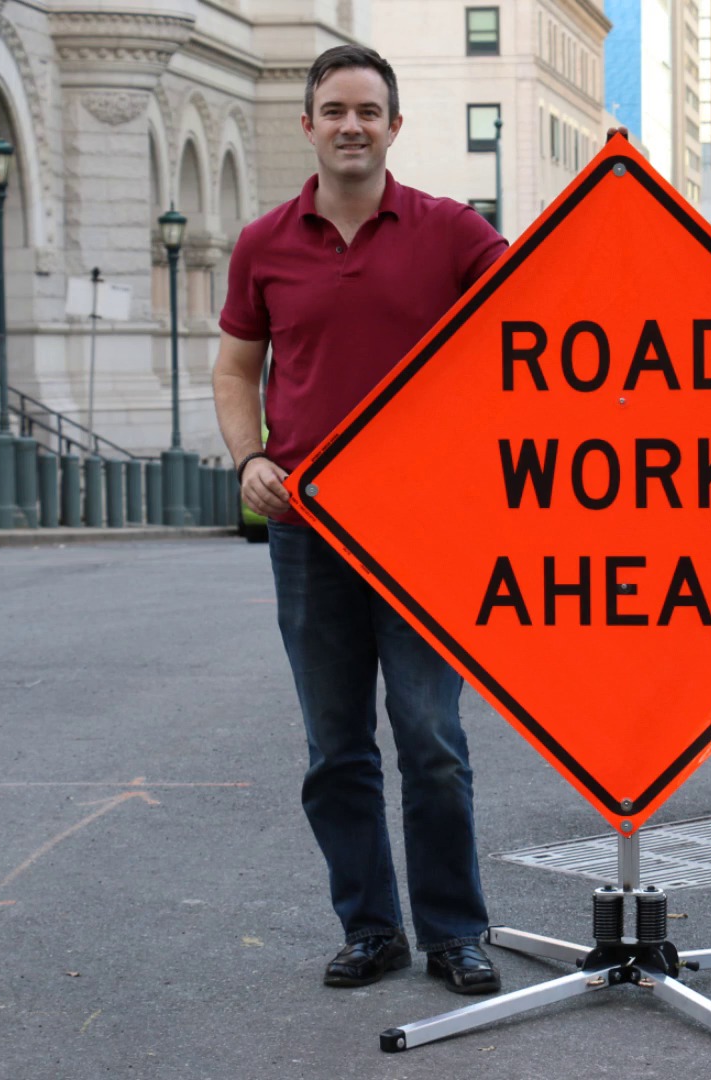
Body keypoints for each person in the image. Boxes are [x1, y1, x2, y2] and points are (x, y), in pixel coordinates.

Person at [211, 45, 508, 993]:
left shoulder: (452, 232)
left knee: (431, 739)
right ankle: (371, 929)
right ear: (308, 125)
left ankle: (456, 932)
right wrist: (250, 455)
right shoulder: (264, 243)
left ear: (393, 126)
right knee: (334, 747)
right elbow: (234, 367)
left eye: (368, 111)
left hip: (423, 526)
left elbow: (531, 322)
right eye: (334, 109)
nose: (351, 125)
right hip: (307, 526)